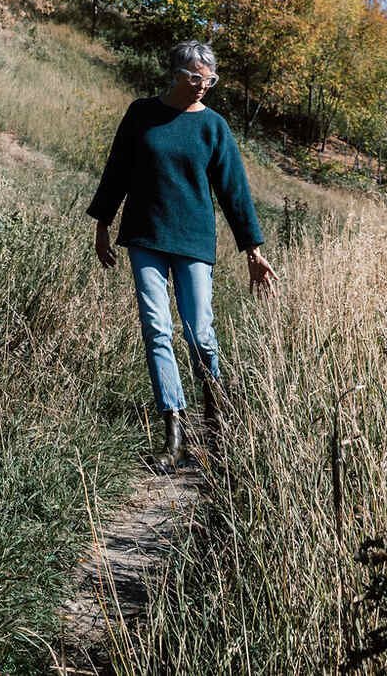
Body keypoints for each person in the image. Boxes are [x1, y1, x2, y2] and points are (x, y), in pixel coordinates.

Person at [87, 39, 278, 472]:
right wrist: (103, 224)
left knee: (200, 333)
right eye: (194, 77)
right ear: (174, 74)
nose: (202, 86)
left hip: (193, 240)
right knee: (157, 330)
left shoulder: (214, 127)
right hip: (145, 236)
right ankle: (173, 431)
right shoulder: (141, 114)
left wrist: (253, 250)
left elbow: (235, 192)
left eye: (209, 79)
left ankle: (216, 420)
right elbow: (117, 168)